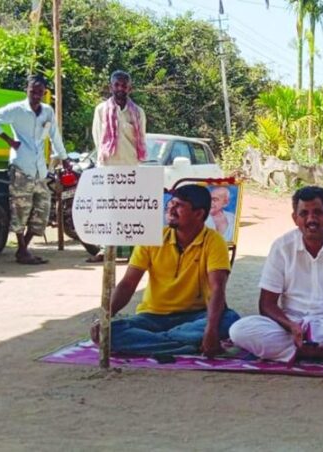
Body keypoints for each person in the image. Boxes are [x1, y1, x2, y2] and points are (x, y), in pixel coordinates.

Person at [229, 186, 323, 366]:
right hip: (293, 325)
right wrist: (290, 326)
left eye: (318, 212)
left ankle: (303, 350)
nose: (311, 219)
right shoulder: (282, 247)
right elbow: (267, 304)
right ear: (295, 218)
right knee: (239, 330)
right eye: (304, 214)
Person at [89, 184, 239, 358]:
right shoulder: (153, 238)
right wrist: (106, 317)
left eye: (179, 206)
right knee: (108, 332)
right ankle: (187, 346)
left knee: (230, 320)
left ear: (199, 214)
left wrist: (211, 329)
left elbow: (217, 288)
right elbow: (128, 284)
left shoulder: (214, 242)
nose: (171, 210)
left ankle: (156, 343)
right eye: (171, 204)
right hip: (152, 316)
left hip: (195, 316)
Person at [0, 75, 67, 265]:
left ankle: (24, 248)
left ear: (44, 92)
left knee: (42, 210)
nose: (36, 95)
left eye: (40, 92)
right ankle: (22, 250)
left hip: (39, 169)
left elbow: (54, 135)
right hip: (21, 166)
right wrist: (8, 140)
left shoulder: (47, 111)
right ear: (26, 90)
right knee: (20, 210)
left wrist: (64, 157)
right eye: (32, 91)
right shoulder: (17, 109)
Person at [88, 70, 147, 262]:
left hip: (130, 167)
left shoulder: (137, 112)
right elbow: (98, 139)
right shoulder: (101, 110)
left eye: (124, 85)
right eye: (117, 85)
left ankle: (132, 253)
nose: (121, 89)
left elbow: (141, 139)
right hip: (108, 167)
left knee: (129, 211)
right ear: (110, 86)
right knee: (107, 210)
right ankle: (106, 250)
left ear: (130, 88)